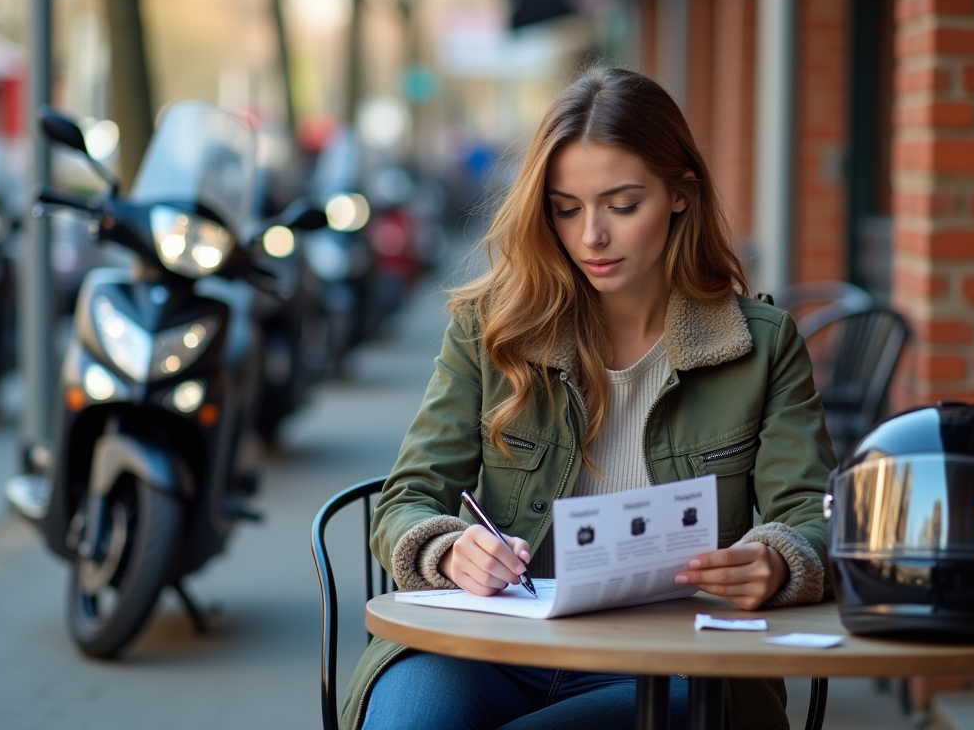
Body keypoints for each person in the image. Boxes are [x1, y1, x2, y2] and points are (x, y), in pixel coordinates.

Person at [343, 68, 835, 730]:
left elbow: (814, 512)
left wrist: (777, 560)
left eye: (622, 205)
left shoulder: (761, 346)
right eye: (565, 208)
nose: (590, 237)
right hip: (485, 649)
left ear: (681, 194)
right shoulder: (491, 330)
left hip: (672, 661)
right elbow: (405, 502)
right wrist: (447, 549)